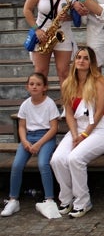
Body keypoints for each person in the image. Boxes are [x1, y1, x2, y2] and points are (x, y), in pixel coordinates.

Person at [50, 47, 104, 218]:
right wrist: (74, 135)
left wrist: (84, 135)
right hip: (77, 128)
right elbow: (69, 114)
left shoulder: (100, 82)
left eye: (85, 58)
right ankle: (66, 199)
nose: (81, 60)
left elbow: (99, 113)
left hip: (101, 128)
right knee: (57, 160)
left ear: (91, 62)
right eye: (78, 57)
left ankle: (83, 201)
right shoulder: (67, 83)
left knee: (75, 158)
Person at [1, 73, 59, 217]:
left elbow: (53, 128)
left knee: (43, 164)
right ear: (27, 87)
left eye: (38, 84)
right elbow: (21, 126)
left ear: (44, 87)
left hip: (45, 137)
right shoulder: (25, 104)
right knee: (16, 165)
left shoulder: (49, 103)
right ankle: (13, 200)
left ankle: (49, 199)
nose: (34, 87)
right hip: (28, 138)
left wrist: (39, 144)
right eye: (32, 84)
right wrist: (25, 141)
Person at [23, 0, 78, 88]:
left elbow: (76, 16)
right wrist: (37, 30)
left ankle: (66, 106)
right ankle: (40, 105)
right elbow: (26, 10)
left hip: (62, 34)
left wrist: (68, 17)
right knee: (40, 73)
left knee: (64, 73)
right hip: (42, 35)